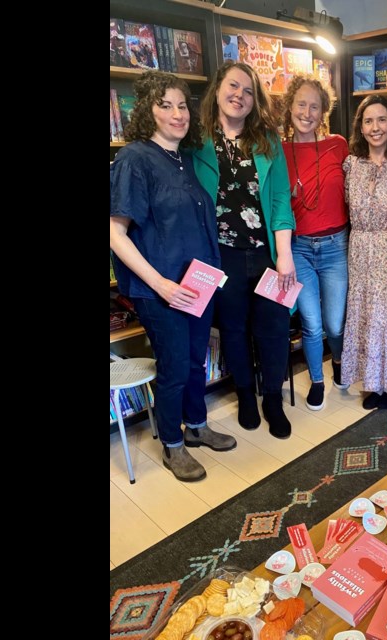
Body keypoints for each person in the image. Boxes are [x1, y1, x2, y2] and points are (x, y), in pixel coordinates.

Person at [110, 71, 237, 482]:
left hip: (198, 285)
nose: (177, 113)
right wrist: (160, 284)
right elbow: (115, 232)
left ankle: (197, 426)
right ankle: (173, 444)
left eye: (182, 105)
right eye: (165, 105)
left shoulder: (185, 158)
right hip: (161, 291)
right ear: (148, 110)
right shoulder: (134, 158)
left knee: (196, 362)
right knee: (175, 366)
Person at [191, 62, 296, 439]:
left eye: (248, 91)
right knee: (233, 330)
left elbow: (281, 199)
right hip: (222, 256)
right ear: (218, 89)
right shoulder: (196, 141)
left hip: (267, 253)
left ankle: (272, 399)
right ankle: (246, 396)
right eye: (233, 86)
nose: (240, 95)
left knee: (274, 329)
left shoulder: (267, 140)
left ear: (255, 100)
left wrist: (284, 255)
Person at [280, 74, 350, 411]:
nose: (307, 112)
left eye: (315, 106)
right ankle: (317, 381)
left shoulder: (338, 144)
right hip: (299, 249)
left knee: (335, 323)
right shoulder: (278, 151)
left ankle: (337, 361)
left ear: (323, 112)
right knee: (311, 323)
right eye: (301, 104)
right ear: (290, 107)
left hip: (336, 246)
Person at [342, 96, 387, 409]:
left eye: (382, 119)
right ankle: (372, 383)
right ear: (361, 126)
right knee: (364, 315)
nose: (375, 127)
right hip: (358, 249)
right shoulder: (349, 165)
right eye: (368, 121)